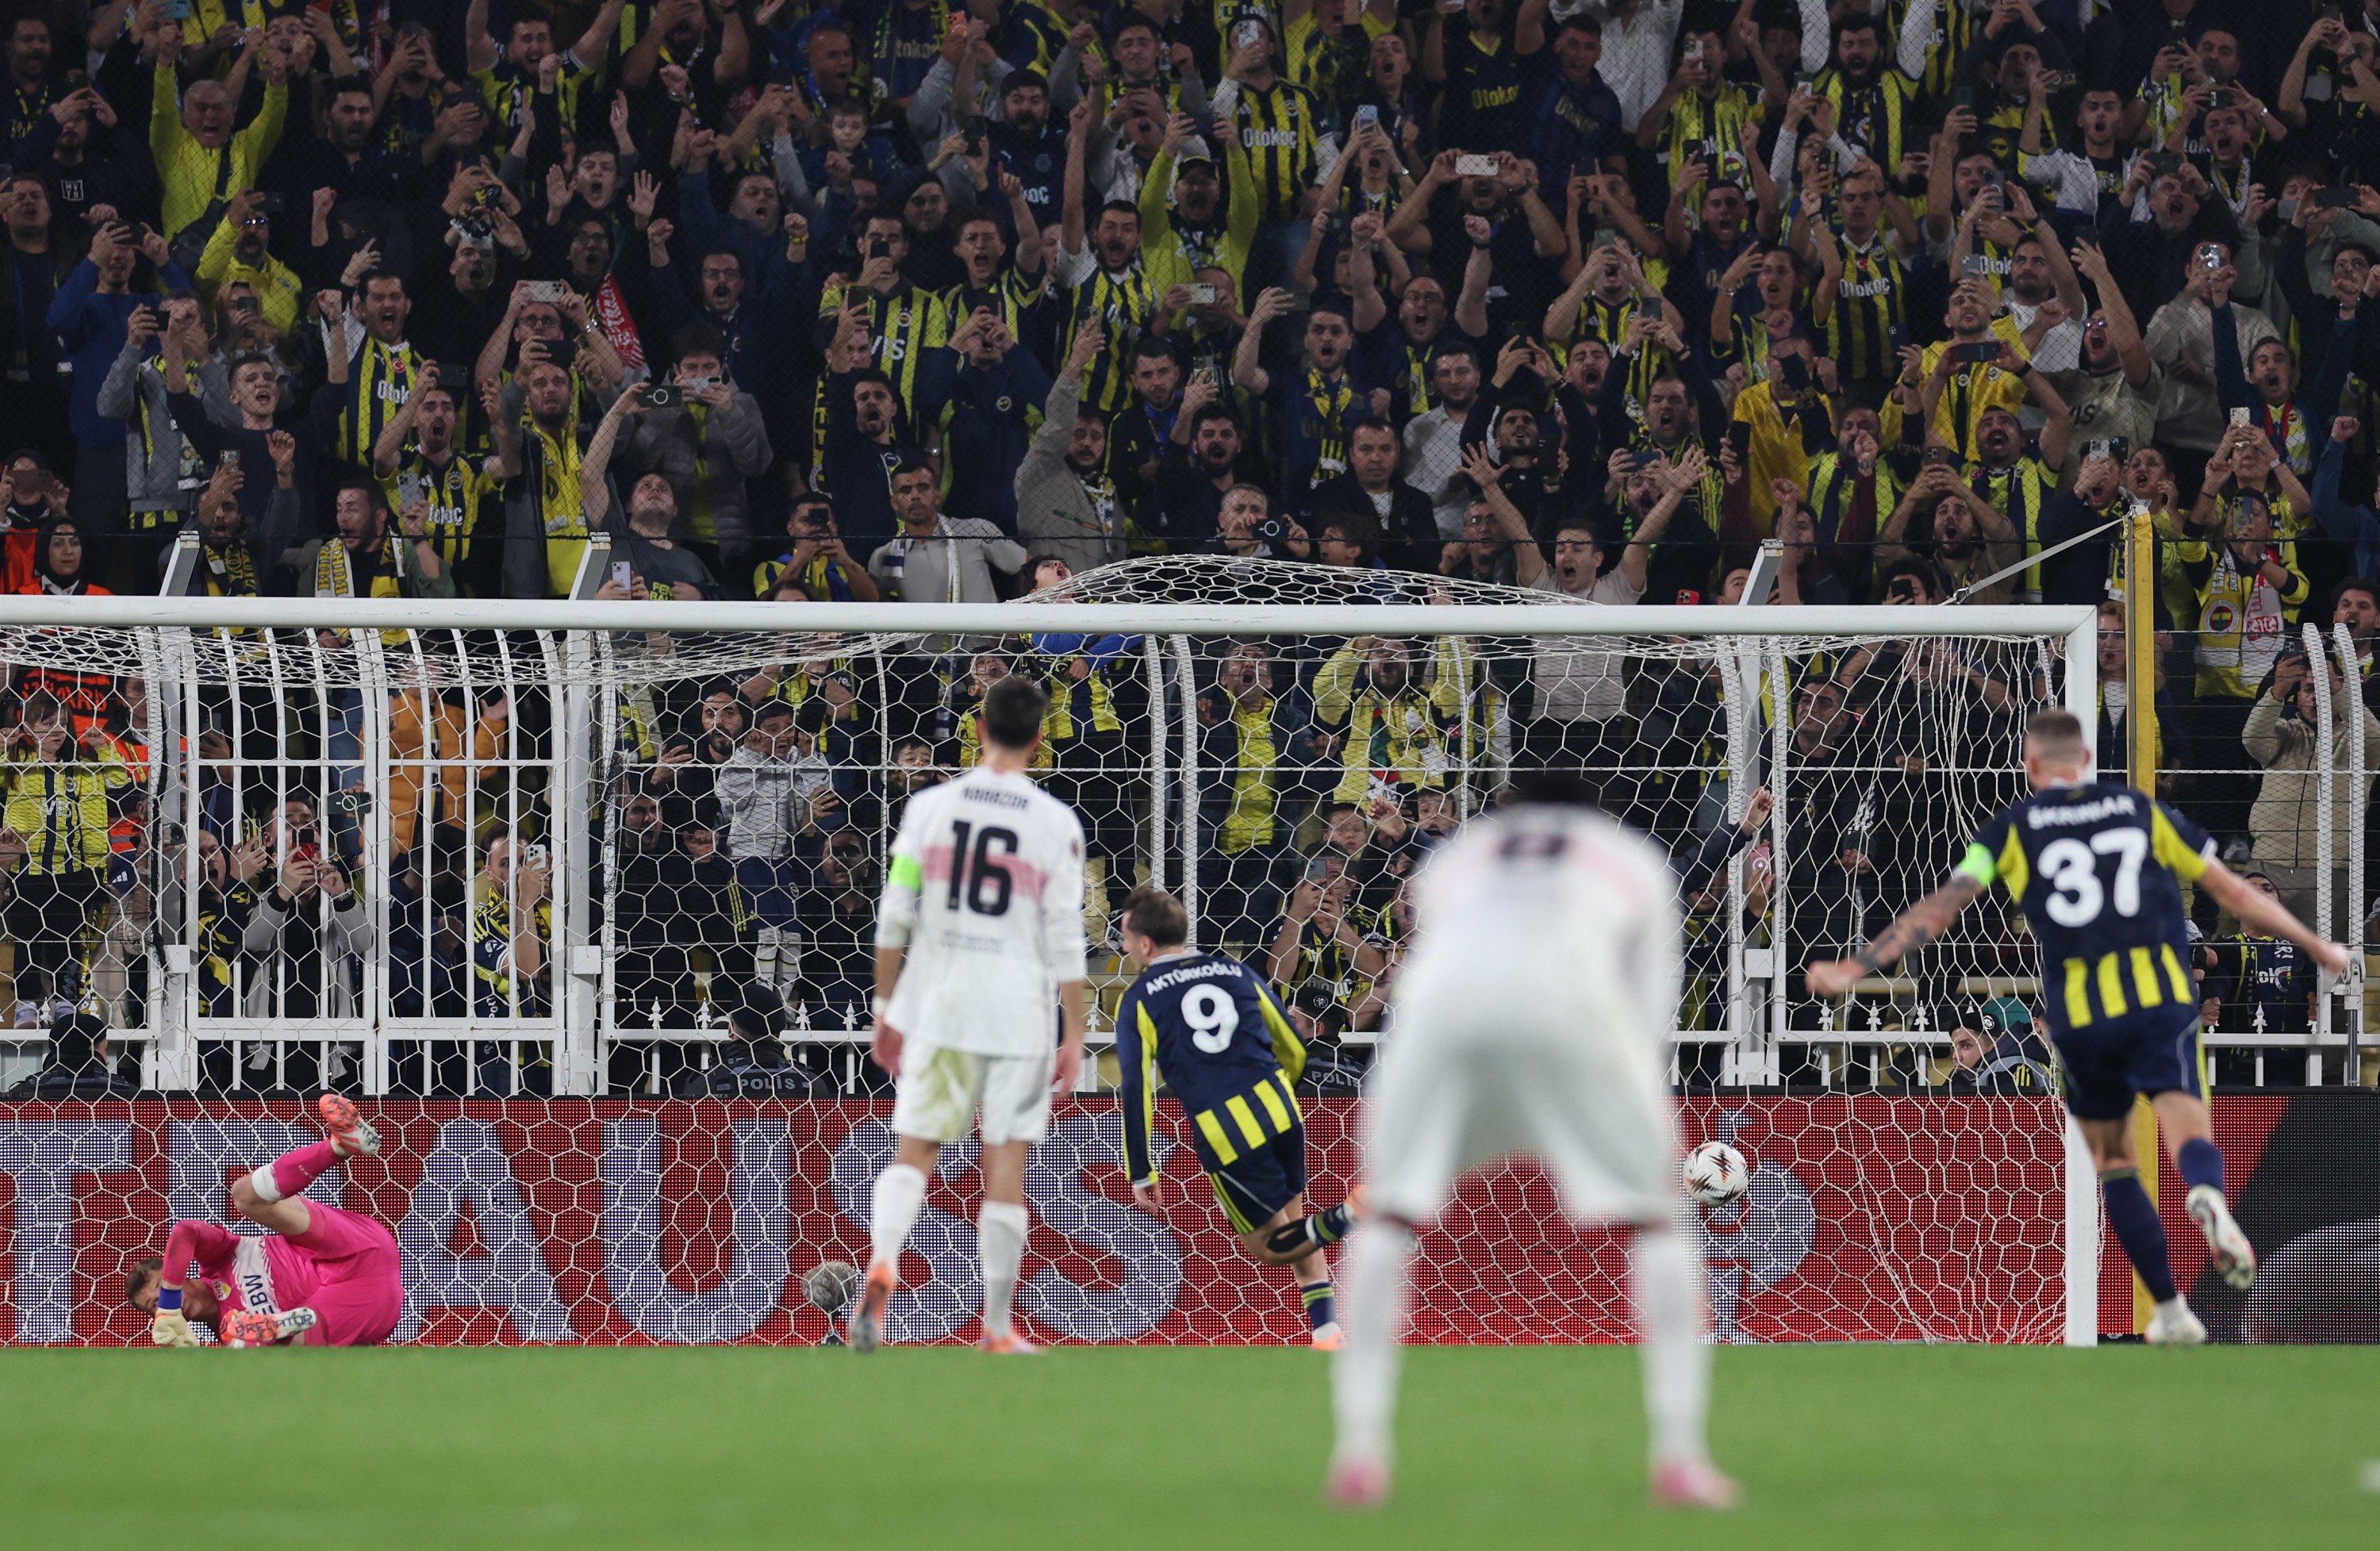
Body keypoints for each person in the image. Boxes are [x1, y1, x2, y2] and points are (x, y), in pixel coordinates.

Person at [1806, 709, 2355, 1345]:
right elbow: (2233, 892)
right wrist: (2316, 944)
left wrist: (1858, 964)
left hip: (2082, 1014)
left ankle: (2172, 1310)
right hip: (2158, 999)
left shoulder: (2012, 828)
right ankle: (2206, 1192)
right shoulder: (2137, 809)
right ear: (2086, 760)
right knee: (2183, 1118)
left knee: (2117, 1162)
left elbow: (1940, 909)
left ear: (2031, 766)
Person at [1326, 758, 1732, 1511]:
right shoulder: (1634, 859)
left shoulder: (1460, 854)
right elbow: (1651, 1006)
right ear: (1596, 813)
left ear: (1515, 810)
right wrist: (1632, 1114)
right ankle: (1680, 1453)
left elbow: (1435, 947)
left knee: (1387, 1214)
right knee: (1659, 1219)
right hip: (1572, 1016)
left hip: (1442, 1021)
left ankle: (1360, 1446)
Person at [850, 675, 1088, 1356]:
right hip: (1016, 1010)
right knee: (1004, 1162)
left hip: (941, 999)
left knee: (916, 1149)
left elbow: (894, 914)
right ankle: (996, 1325)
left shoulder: (930, 806)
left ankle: (885, 1258)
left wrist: (886, 1007)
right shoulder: (1053, 822)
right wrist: (1072, 1033)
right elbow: (1065, 938)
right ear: (1039, 740)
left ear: (978, 729)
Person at [1113, 885, 1357, 1349]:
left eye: (1126, 937)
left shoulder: (1139, 998)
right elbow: (1289, 1040)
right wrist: (1279, 1086)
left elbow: (1135, 1088)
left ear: (1145, 943)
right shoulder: (1234, 969)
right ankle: (1327, 1330)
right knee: (1295, 1221)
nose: (1124, 947)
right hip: (1280, 1106)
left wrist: (1142, 1171)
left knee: (1269, 1247)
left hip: (1226, 1131)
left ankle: (1357, 1214)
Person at [124, 1094, 401, 1349]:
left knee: (244, 1195)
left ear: (178, 1272)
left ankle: (339, 1146)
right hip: (364, 1303)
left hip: (349, 1248)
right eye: (155, 1306)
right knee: (257, 1345)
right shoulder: (226, 1333)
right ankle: (277, 1332)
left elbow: (185, 1232)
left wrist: (170, 1302)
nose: (162, 1304)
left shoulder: (218, 1258)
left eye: (161, 1290)